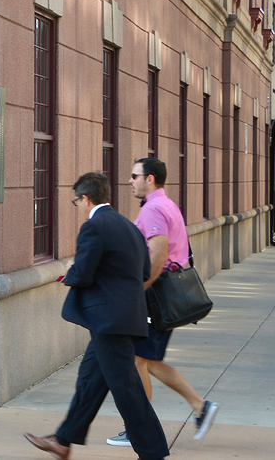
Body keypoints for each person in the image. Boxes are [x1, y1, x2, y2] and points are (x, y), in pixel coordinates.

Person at [25, 172, 170, 460]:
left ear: (86, 198)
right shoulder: (128, 225)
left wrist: (70, 273)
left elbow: (84, 272)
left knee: (126, 388)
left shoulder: (94, 226)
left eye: (75, 200)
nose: (76, 205)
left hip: (108, 321)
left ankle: (153, 453)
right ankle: (63, 441)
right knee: (90, 380)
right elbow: (142, 272)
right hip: (123, 317)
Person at [107, 158, 218, 448]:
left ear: (150, 179)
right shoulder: (165, 204)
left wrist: (138, 289)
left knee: (137, 360)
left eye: (135, 176)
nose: (130, 180)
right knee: (148, 360)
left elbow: (158, 254)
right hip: (162, 294)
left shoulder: (154, 209)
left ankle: (138, 427)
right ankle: (199, 406)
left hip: (154, 294)